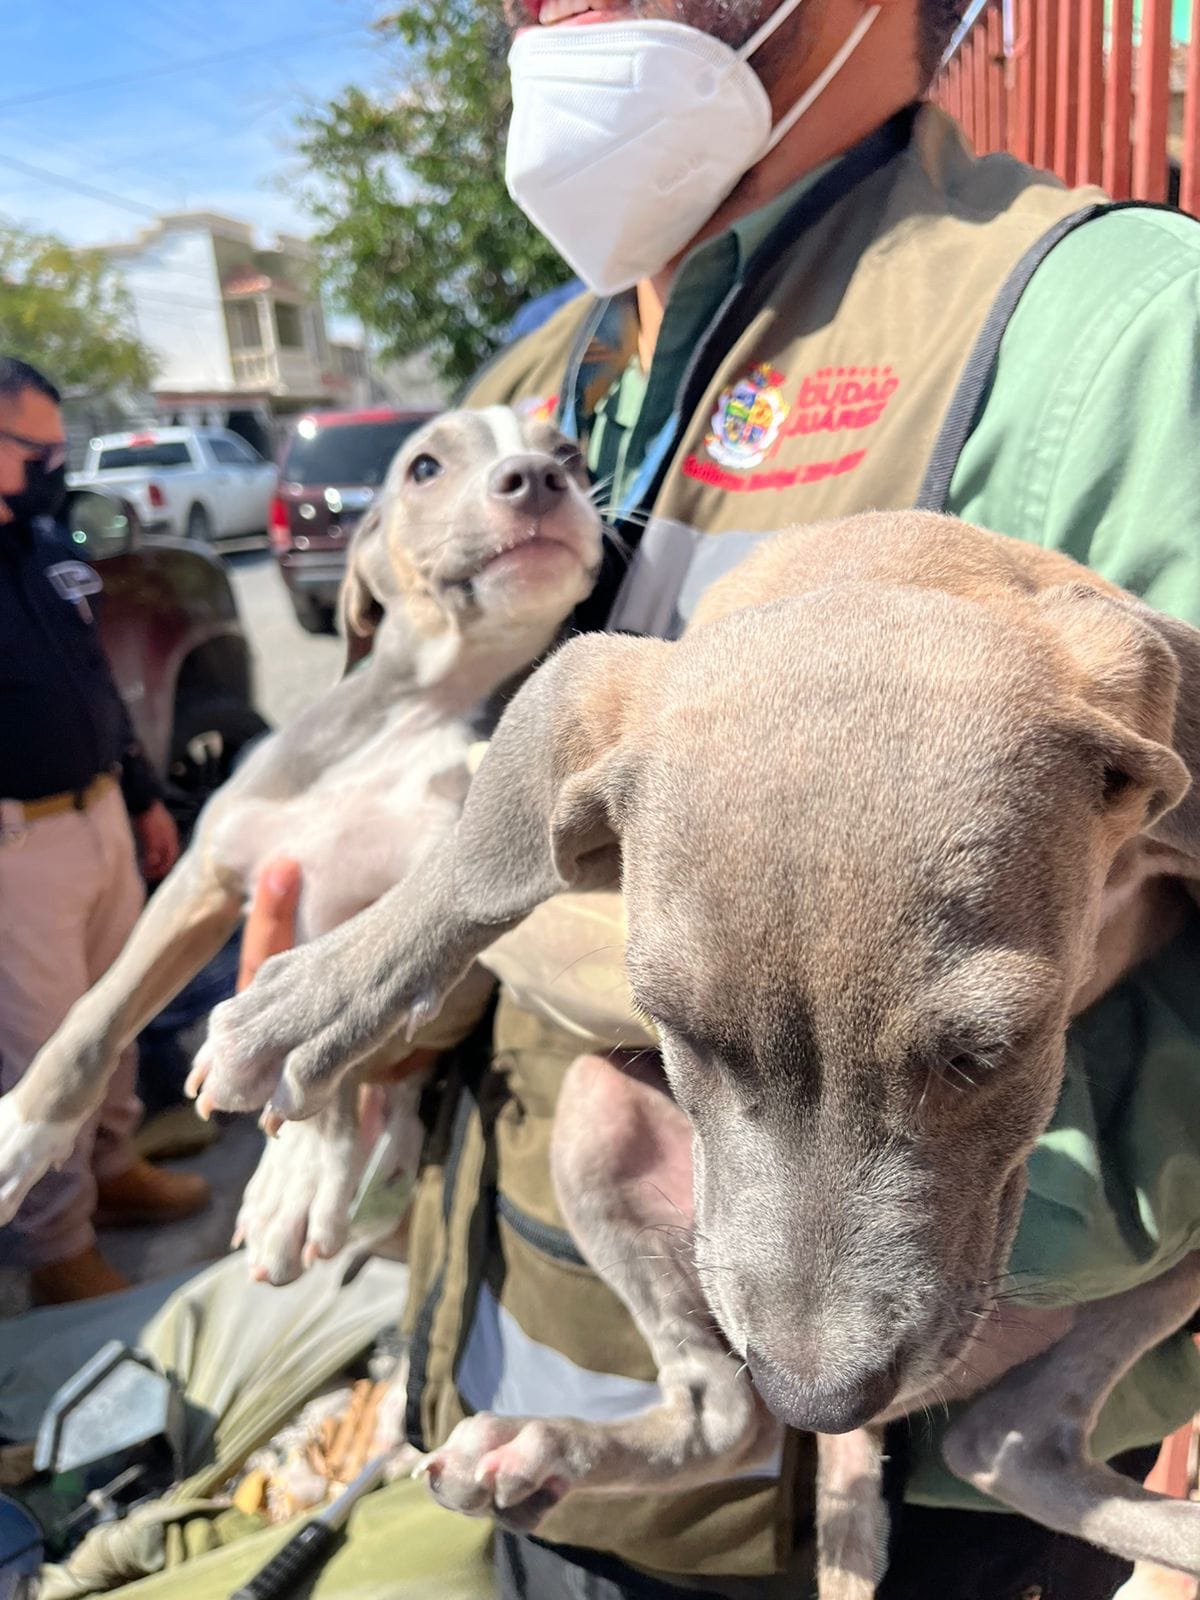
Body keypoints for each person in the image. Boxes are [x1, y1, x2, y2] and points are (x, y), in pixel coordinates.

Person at [245, 1, 1200, 1594]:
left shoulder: (1124, 329)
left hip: (915, 1484)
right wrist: (414, 1000)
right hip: (533, 1363)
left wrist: (900, 1210)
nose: (547, 16)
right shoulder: (546, 374)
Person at [0, 356, 210, 1306]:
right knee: (46, 1046)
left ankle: (116, 1167)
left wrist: (139, 792)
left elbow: (94, 680)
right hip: (18, 849)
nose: (54, 464)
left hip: (96, 817)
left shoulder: (41, 543)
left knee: (120, 1008)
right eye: (32, 448)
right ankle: (55, 1246)